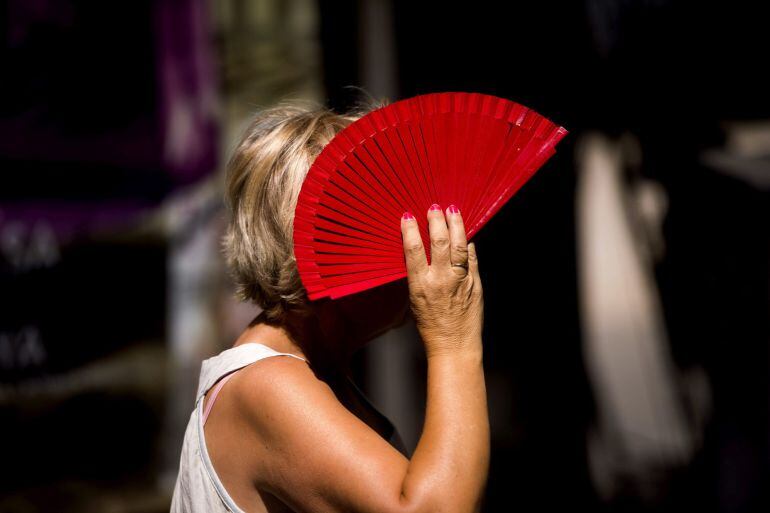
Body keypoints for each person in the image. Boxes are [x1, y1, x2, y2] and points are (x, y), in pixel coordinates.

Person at [171, 100, 488, 513]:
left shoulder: (307, 370)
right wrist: (455, 341)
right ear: (336, 261)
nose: (421, 259)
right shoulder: (266, 385)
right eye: (399, 239)